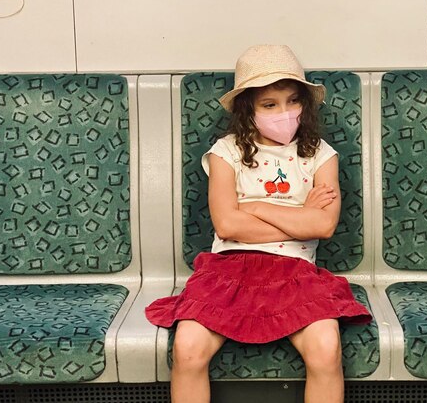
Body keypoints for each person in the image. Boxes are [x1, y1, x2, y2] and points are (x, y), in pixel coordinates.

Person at [145, 44, 372, 403]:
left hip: (294, 270)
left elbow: (324, 226)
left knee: (327, 350)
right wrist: (300, 219)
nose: (284, 112)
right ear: (247, 109)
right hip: (228, 269)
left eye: (293, 101)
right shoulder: (226, 152)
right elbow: (227, 225)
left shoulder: (320, 155)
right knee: (188, 349)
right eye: (270, 104)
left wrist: (252, 205)